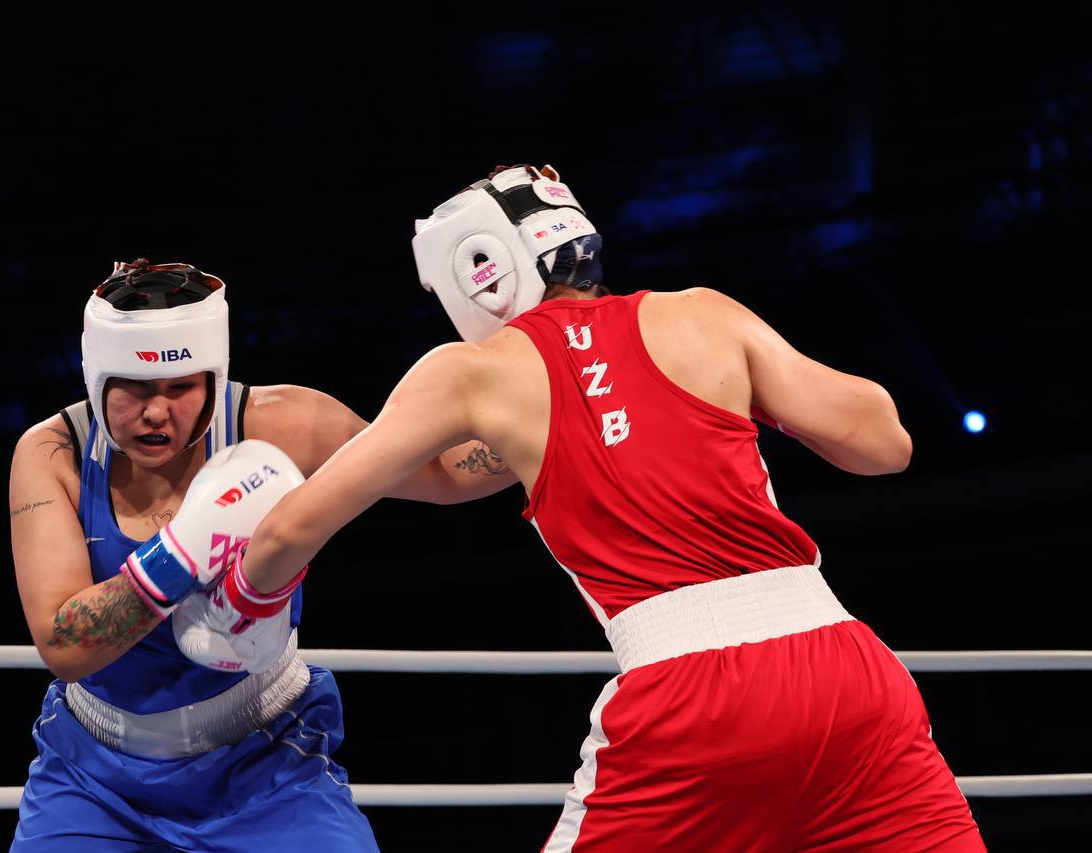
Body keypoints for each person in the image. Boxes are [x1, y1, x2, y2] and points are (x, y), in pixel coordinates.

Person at [232, 166, 988, 851]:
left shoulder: (471, 372)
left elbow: (293, 526)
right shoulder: (703, 316)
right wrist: (743, 400)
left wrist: (227, 605)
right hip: (849, 673)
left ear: (477, 270)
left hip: (692, 701)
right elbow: (887, 444)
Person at [8, 259, 511, 851]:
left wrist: (548, 377)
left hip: (267, 763)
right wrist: (186, 550)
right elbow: (64, 646)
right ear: (97, 380)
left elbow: (449, 474)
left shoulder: (287, 424)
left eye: (180, 387)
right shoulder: (54, 454)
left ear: (213, 378)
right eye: (136, 388)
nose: (157, 412)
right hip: (94, 779)